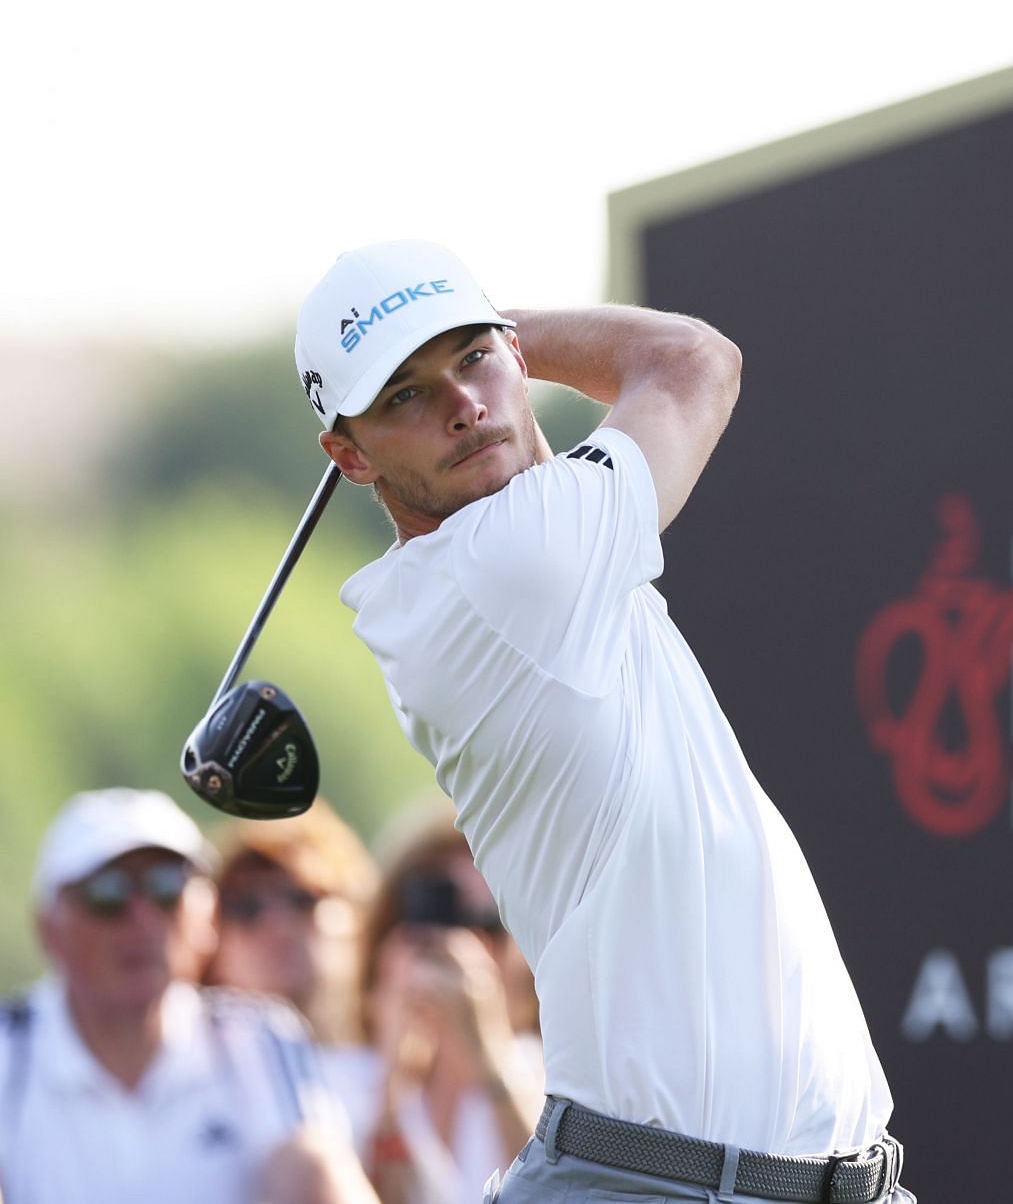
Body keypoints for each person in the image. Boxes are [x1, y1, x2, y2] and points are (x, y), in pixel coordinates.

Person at [293, 240, 907, 1203]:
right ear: (349, 453)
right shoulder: (514, 562)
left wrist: (479, 337)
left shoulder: (549, 539)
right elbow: (693, 360)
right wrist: (505, 332)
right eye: (405, 395)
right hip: (653, 1186)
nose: (462, 403)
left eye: (470, 358)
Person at [0, 788, 377, 1204]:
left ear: (207, 916)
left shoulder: (258, 1037)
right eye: (108, 893)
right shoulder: (8, 1050)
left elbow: (316, 1180)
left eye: (167, 888)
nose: (143, 919)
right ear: (49, 928)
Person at [352, 799, 543, 1204]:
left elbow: (563, 1190)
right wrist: (391, 1087)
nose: (455, 947)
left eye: (486, 922)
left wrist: (489, 1055)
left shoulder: (559, 1077)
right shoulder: (337, 1080)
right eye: (429, 918)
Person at [206, 798, 378, 1050]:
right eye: (246, 907)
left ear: (357, 919)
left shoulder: (409, 1069)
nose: (277, 925)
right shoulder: (179, 1075)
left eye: (301, 898)